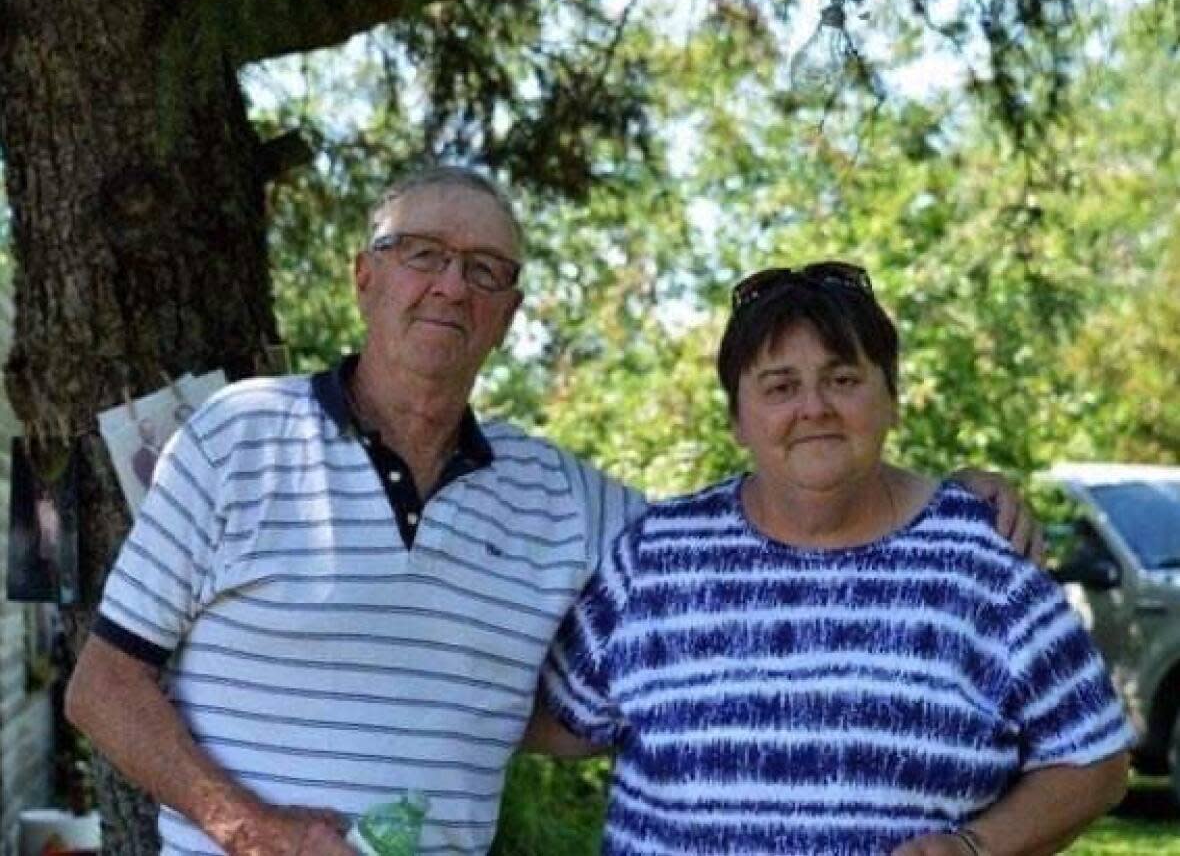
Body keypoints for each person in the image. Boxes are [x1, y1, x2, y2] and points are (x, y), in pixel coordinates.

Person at [65, 170, 1040, 856]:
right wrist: (253, 832)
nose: (452, 284)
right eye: (422, 255)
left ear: (510, 313)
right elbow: (103, 686)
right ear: (365, 277)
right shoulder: (240, 434)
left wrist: (941, 495)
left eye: (486, 270)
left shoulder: (557, 496)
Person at [533, 260, 1133, 856]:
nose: (814, 407)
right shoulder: (655, 558)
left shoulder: (984, 564)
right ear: (737, 420)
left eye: (842, 379)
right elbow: (553, 718)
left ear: (892, 400)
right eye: (780, 386)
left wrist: (976, 847)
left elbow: (1095, 759)